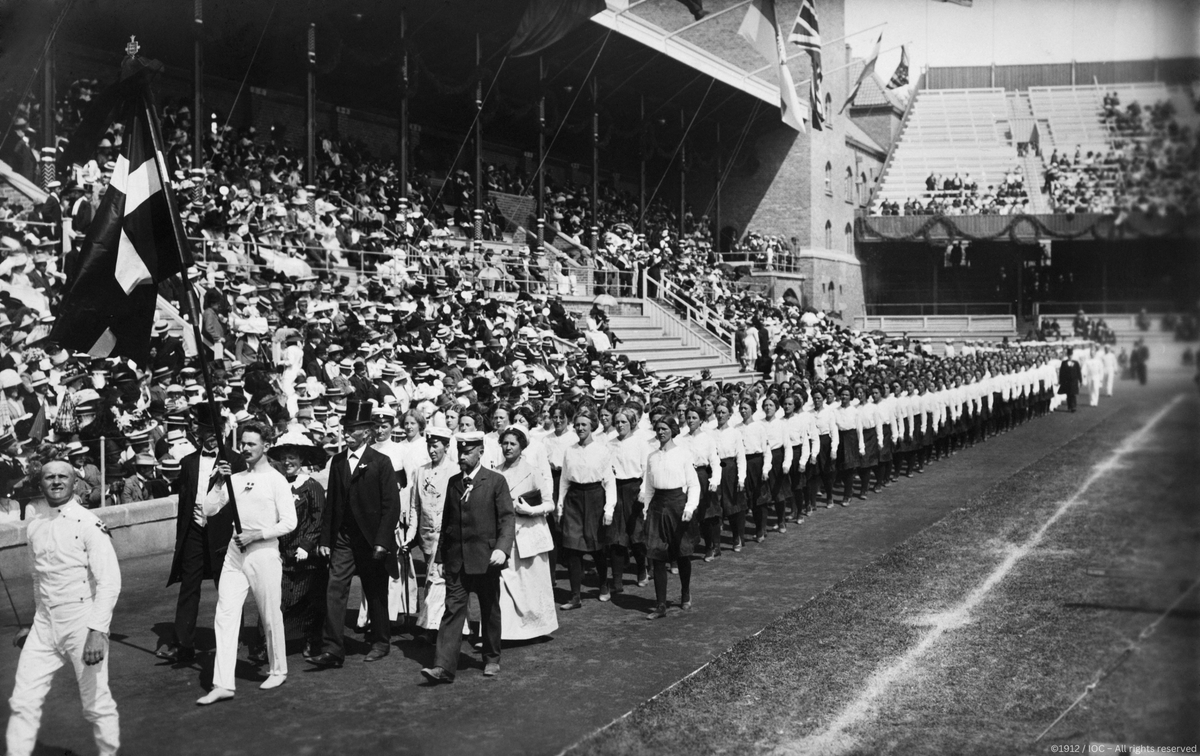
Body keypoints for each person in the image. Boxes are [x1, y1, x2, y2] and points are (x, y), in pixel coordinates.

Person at [6, 461, 121, 756]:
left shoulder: (89, 524)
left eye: (62, 477)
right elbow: (38, 579)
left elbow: (109, 582)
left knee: (96, 703)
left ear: (74, 483)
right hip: (44, 625)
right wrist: (34, 622)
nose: (56, 482)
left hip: (81, 622)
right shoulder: (35, 526)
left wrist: (98, 631)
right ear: (41, 484)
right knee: (23, 700)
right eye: (49, 477)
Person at [196, 422, 297, 704]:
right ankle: (223, 683)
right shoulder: (235, 478)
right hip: (234, 552)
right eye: (243, 442)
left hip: (264, 553)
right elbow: (208, 509)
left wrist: (257, 533)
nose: (245, 448)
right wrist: (218, 481)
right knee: (225, 613)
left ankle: (279, 668)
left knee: (269, 614)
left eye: (252, 443)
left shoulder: (276, 480)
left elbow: (290, 522)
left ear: (265, 445)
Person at [309, 400, 403, 668]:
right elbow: (332, 505)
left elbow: (391, 506)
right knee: (335, 588)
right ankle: (333, 649)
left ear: (366, 431)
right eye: (345, 429)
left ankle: (381, 642)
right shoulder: (337, 462)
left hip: (372, 540)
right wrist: (326, 539)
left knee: (375, 591)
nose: (347, 434)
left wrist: (383, 542)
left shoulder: (381, 463)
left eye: (352, 430)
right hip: (343, 539)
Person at [421, 431, 515, 683]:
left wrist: (502, 549)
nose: (461, 457)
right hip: (457, 561)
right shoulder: (454, 483)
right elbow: (447, 523)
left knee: (490, 609)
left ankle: (492, 658)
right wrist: (440, 557)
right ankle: (443, 666)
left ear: (480, 452)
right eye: (459, 452)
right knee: (452, 611)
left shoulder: (495, 481)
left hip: (486, 560)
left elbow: (507, 519)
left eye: (467, 452)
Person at [157, 405, 245, 663]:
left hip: (223, 534)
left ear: (224, 431)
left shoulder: (236, 461)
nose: (209, 436)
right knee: (189, 586)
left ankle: (232, 639)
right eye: (205, 431)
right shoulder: (188, 462)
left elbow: (242, 500)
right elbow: (185, 504)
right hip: (195, 532)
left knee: (227, 587)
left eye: (214, 431)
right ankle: (183, 644)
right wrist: (181, 539)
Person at [267, 429, 328, 658]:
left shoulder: (311, 486)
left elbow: (317, 518)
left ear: (302, 459)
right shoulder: (277, 484)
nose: (287, 462)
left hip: (306, 555)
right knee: (276, 600)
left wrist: (306, 545)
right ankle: (267, 646)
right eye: (284, 457)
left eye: (292, 457)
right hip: (281, 553)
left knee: (310, 601)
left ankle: (312, 641)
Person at [496, 426, 558, 640]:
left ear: (522, 447)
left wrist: (530, 510)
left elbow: (550, 504)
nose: (508, 447)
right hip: (505, 535)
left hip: (530, 534)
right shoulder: (496, 472)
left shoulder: (533, 471)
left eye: (513, 443)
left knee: (533, 586)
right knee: (505, 583)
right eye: (505, 443)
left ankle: (538, 629)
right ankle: (505, 633)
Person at [639, 416, 700, 619]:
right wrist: (646, 509)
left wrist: (690, 507)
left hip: (677, 504)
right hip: (658, 504)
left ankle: (685, 593)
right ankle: (661, 604)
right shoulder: (652, 456)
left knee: (682, 553)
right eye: (658, 429)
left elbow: (693, 484)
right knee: (656, 554)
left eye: (664, 428)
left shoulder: (682, 453)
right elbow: (648, 486)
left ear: (672, 430)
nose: (661, 432)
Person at [555, 407, 616, 609]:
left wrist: (609, 509)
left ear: (592, 427)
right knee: (573, 548)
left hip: (595, 498)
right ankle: (575, 596)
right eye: (578, 425)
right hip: (574, 499)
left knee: (596, 546)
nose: (580, 428)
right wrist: (560, 506)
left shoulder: (602, 450)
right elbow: (564, 479)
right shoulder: (570, 450)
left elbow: (609, 481)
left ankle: (603, 584)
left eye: (584, 425)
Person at [412, 426, 458, 643]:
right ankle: (436, 625)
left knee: (441, 578)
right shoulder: (421, 471)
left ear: (446, 447)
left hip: (447, 535)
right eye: (429, 445)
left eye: (436, 445)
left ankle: (433, 627)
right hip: (427, 535)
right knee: (432, 580)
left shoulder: (455, 470)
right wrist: (411, 534)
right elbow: (415, 506)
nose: (432, 450)